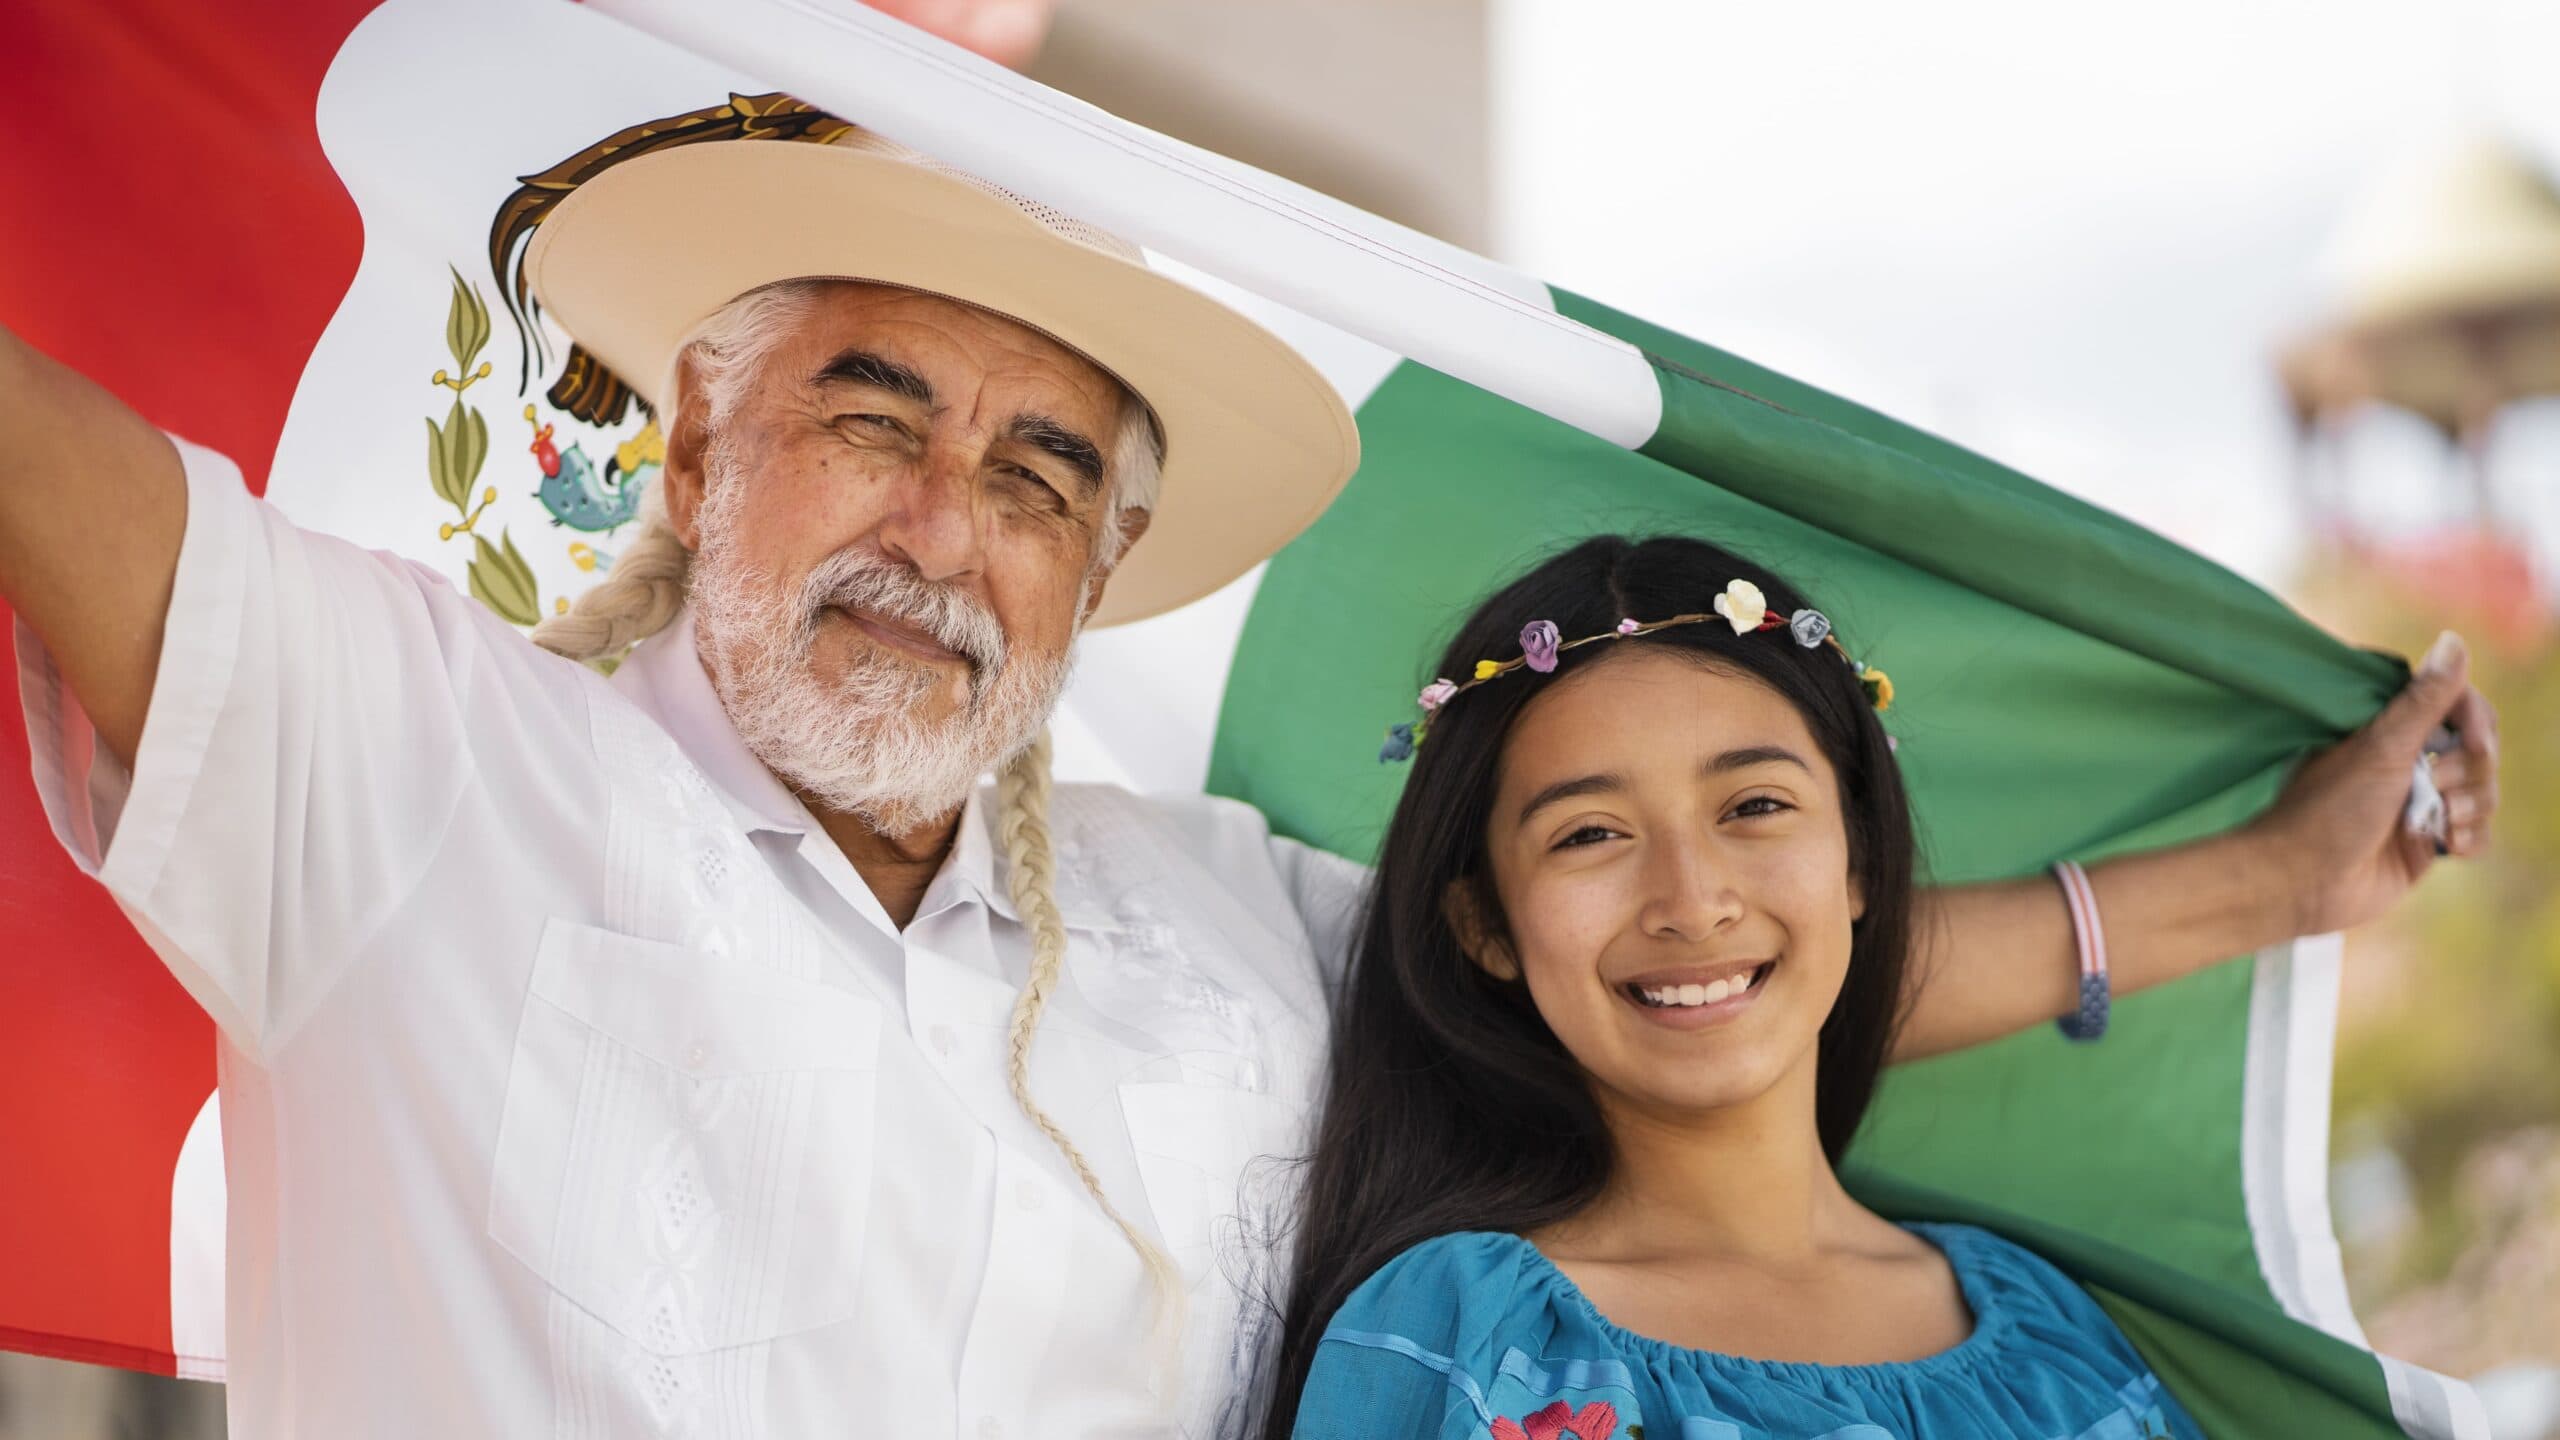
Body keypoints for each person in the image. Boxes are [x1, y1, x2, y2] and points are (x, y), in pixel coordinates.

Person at [0, 106, 2500, 1435]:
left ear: (1098, 577)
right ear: (689, 454)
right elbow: (67, 475)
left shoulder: (1226, 920)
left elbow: (1692, 963)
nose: (940, 527)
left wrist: (2257, 885)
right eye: (869, 417)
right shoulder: (409, 759)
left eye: (1035, 477)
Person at [1269, 535, 2491, 1440]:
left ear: (1857, 860)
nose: (1691, 901)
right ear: (1483, 921)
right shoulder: (1470, 1335)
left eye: (1754, 807)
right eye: (1589, 834)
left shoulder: (2047, 1325)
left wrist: (2285, 873)